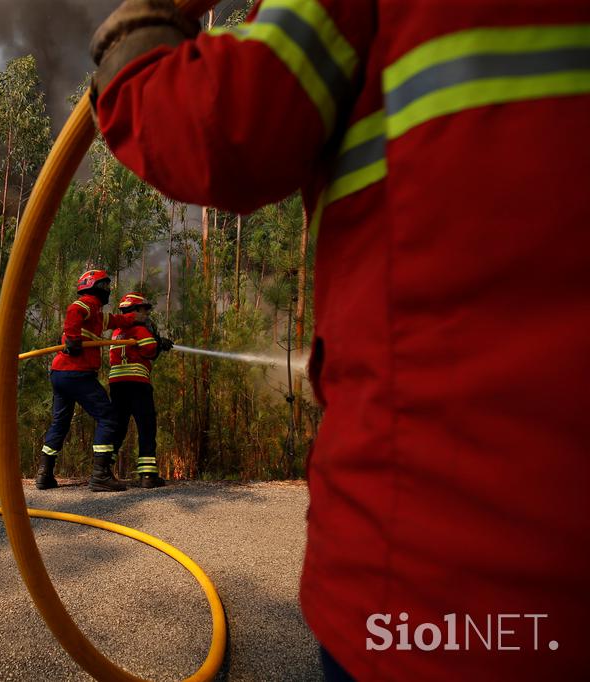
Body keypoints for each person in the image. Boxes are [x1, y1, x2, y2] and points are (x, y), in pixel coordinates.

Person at [89, 0, 590, 679]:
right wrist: (155, 348)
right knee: (120, 427)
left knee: (116, 429)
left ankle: (101, 473)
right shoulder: (124, 327)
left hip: (424, 567)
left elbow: (221, 123)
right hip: (505, 550)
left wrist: (140, 29)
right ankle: (105, 471)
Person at [38, 269, 145, 492]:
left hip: (60, 374)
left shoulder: (96, 314)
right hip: (77, 373)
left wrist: (134, 318)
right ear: (93, 286)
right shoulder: (86, 304)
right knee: (108, 416)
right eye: (105, 286)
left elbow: (114, 320)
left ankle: (44, 475)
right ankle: (100, 476)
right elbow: (73, 311)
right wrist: (74, 339)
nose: (108, 291)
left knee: (60, 423)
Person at [109, 293, 174, 488]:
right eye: (144, 310)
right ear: (135, 310)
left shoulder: (116, 332)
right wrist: (159, 345)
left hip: (117, 384)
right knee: (146, 426)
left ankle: (103, 468)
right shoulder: (139, 329)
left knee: (118, 428)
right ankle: (147, 475)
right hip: (137, 383)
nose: (146, 315)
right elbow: (149, 351)